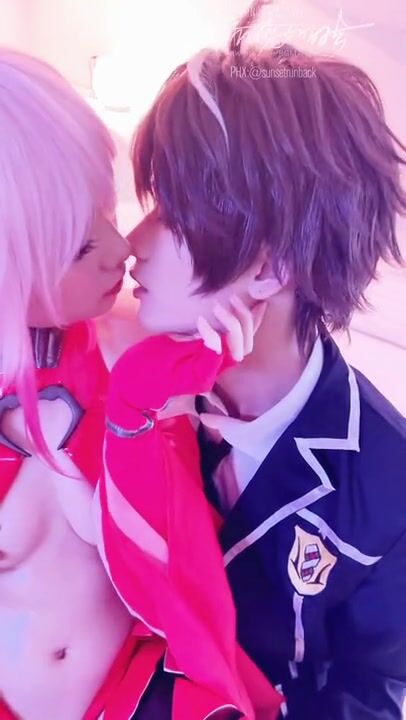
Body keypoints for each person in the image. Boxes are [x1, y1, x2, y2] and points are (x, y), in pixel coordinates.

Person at [125, 1, 406, 717]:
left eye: (172, 214)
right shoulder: (126, 380)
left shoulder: (388, 479)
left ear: (271, 265)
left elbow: (372, 689)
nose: (134, 241)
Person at [0, 49, 143, 720]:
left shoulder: (134, 341)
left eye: (106, 211)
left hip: (144, 690)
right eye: (80, 246)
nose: (123, 249)